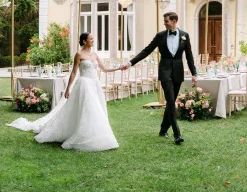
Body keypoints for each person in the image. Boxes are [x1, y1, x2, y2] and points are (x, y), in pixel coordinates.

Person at [7, 33, 120, 152]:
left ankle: (98, 133)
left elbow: (105, 69)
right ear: (84, 41)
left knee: (97, 109)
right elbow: (74, 73)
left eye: (93, 39)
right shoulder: (79, 54)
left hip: (94, 84)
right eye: (91, 39)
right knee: (87, 108)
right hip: (84, 84)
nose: (93, 40)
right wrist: (68, 89)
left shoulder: (95, 55)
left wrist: (119, 68)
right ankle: (83, 134)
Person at [122, 11, 196, 144]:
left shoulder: (185, 36)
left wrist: (194, 73)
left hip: (178, 73)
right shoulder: (160, 36)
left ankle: (163, 129)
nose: (164, 23)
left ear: (174, 21)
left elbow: (189, 56)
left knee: (171, 102)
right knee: (171, 101)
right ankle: (177, 134)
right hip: (165, 72)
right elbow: (147, 50)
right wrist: (130, 63)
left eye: (166, 21)